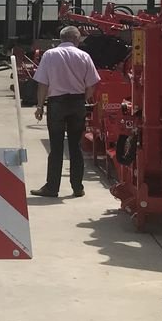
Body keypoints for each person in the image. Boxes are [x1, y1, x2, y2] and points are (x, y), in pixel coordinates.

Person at [30, 26, 100, 198]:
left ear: (60, 38)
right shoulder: (84, 56)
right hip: (77, 103)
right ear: (76, 39)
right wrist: (82, 99)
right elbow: (92, 85)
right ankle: (78, 188)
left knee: (56, 147)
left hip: (57, 104)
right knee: (76, 147)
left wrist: (40, 106)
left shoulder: (49, 55)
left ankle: (52, 188)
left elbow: (42, 84)